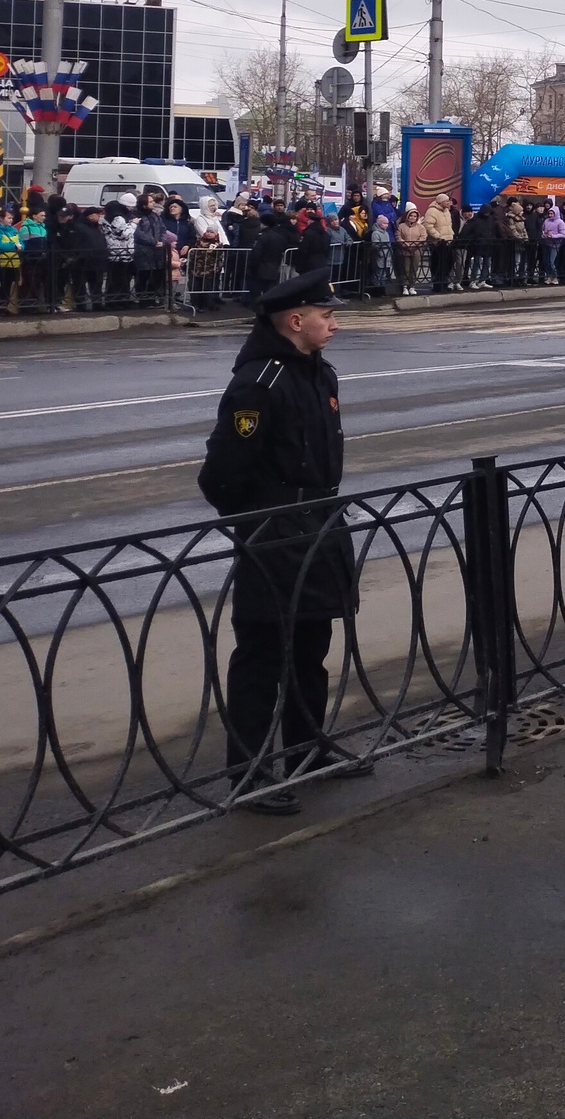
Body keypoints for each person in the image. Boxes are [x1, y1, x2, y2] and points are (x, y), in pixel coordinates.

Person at [195, 268, 372, 814]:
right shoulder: (260, 381)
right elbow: (221, 474)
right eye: (327, 315)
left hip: (317, 523)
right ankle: (249, 773)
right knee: (262, 655)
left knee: (311, 649)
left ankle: (305, 751)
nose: (334, 323)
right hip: (275, 534)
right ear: (296, 321)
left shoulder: (319, 373)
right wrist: (259, 521)